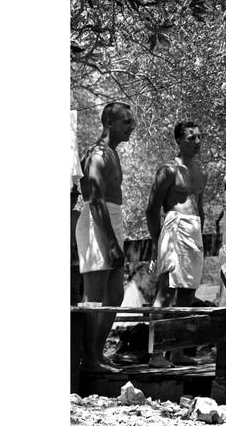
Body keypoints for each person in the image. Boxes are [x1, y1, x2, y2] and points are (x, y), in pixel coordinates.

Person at [76, 102, 135, 373]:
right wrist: (111, 243)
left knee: (116, 292)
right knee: (95, 294)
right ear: (109, 123)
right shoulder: (98, 155)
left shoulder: (112, 153)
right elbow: (96, 200)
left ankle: (98, 354)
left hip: (113, 218)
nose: (131, 126)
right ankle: (88, 360)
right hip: (96, 221)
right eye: (126, 122)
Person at [145, 120, 207, 367]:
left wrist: (202, 231)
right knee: (166, 291)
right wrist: (157, 239)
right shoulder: (168, 170)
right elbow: (151, 208)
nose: (198, 142)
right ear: (179, 141)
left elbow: (200, 206)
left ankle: (177, 351)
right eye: (192, 138)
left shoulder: (201, 171)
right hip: (174, 226)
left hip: (194, 229)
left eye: (200, 137)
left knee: (188, 293)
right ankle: (155, 355)